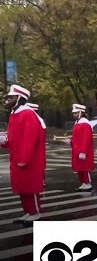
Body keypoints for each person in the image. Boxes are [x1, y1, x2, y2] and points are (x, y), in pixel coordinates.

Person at [0, 85, 46, 222]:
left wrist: (24, 158)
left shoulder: (28, 113)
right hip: (17, 158)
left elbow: (30, 139)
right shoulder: (15, 113)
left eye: (11, 97)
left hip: (28, 159)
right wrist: (4, 141)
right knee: (22, 187)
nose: (8, 99)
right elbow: (15, 138)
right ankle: (29, 211)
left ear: (19, 98)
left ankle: (35, 212)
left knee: (30, 187)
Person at [69, 103, 95, 191]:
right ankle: (83, 182)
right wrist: (71, 141)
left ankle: (87, 183)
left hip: (83, 150)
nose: (74, 115)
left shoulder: (85, 124)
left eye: (76, 113)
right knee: (79, 168)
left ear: (81, 113)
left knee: (85, 168)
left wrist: (83, 151)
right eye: (74, 113)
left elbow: (86, 139)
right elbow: (77, 137)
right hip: (77, 149)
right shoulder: (77, 123)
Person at [26, 102, 46, 185]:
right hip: (37, 148)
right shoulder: (38, 120)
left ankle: (40, 181)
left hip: (36, 149)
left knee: (37, 165)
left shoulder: (37, 120)